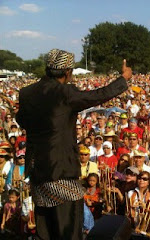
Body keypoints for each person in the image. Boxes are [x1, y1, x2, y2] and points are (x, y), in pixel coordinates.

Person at [16, 48, 132, 239]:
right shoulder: (65, 92)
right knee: (68, 230)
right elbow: (97, 95)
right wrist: (123, 79)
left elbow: (22, 121)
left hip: (37, 170)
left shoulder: (26, 92)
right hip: (59, 170)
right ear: (68, 72)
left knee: (46, 231)